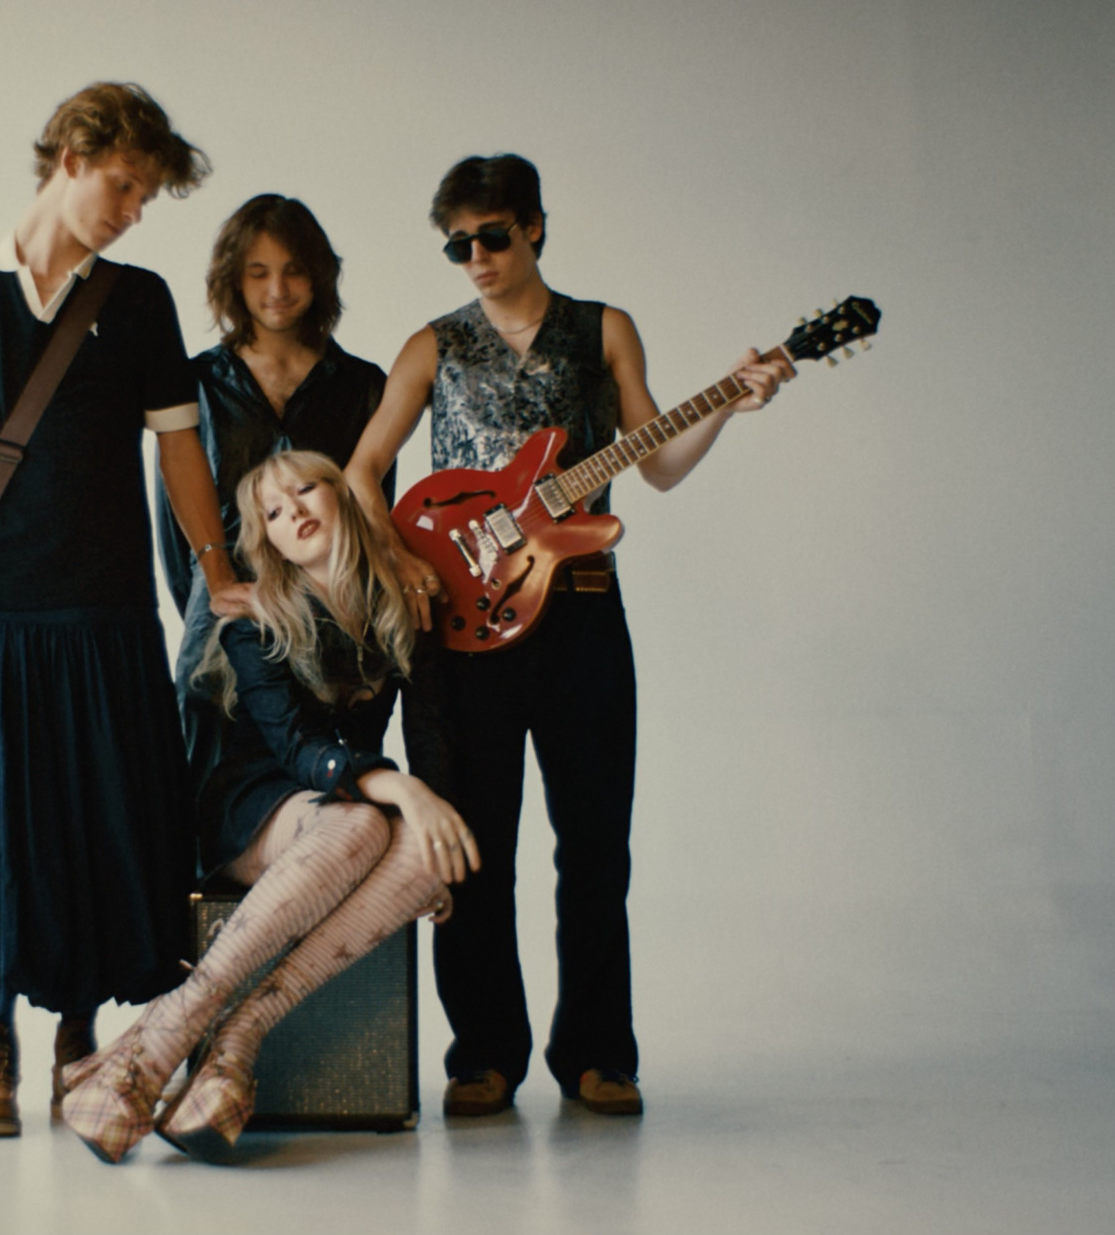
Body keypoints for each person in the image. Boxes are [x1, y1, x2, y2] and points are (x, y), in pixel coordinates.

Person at [343, 154, 790, 1118]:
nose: (476, 257)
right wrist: (406, 564)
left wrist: (728, 400)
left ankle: (597, 1054)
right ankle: (483, 1055)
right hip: (463, 630)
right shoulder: (433, 344)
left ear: (536, 227)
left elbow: (658, 462)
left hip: (582, 609)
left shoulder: (603, 328)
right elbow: (361, 470)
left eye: (493, 236)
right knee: (473, 848)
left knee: (594, 846)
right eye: (458, 244)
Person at [0, 82, 247, 1139]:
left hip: (109, 614)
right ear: (74, 158)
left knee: (100, 824)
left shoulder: (138, 301)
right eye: (125, 186)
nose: (133, 211)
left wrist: (216, 567)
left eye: (145, 197)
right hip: (3, 612)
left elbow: (181, 449)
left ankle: (78, 1037)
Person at [60, 451, 476, 1163]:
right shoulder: (254, 621)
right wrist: (404, 789)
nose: (295, 512)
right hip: (251, 803)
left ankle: (237, 1040)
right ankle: (164, 1039)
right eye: (274, 513)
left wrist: (434, 819)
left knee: (429, 851)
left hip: (342, 804)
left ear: (344, 498)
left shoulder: (401, 607)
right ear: (269, 541)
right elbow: (296, 749)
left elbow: (431, 736)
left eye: (306, 490)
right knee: (363, 821)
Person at [154, 194, 391, 834]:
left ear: (319, 276)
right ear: (233, 280)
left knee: (337, 791)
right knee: (209, 788)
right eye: (258, 273)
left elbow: (374, 510)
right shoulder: (196, 383)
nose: (277, 290)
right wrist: (212, 593)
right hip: (225, 607)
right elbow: (175, 524)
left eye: (294, 270)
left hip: (335, 615)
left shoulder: (363, 384)